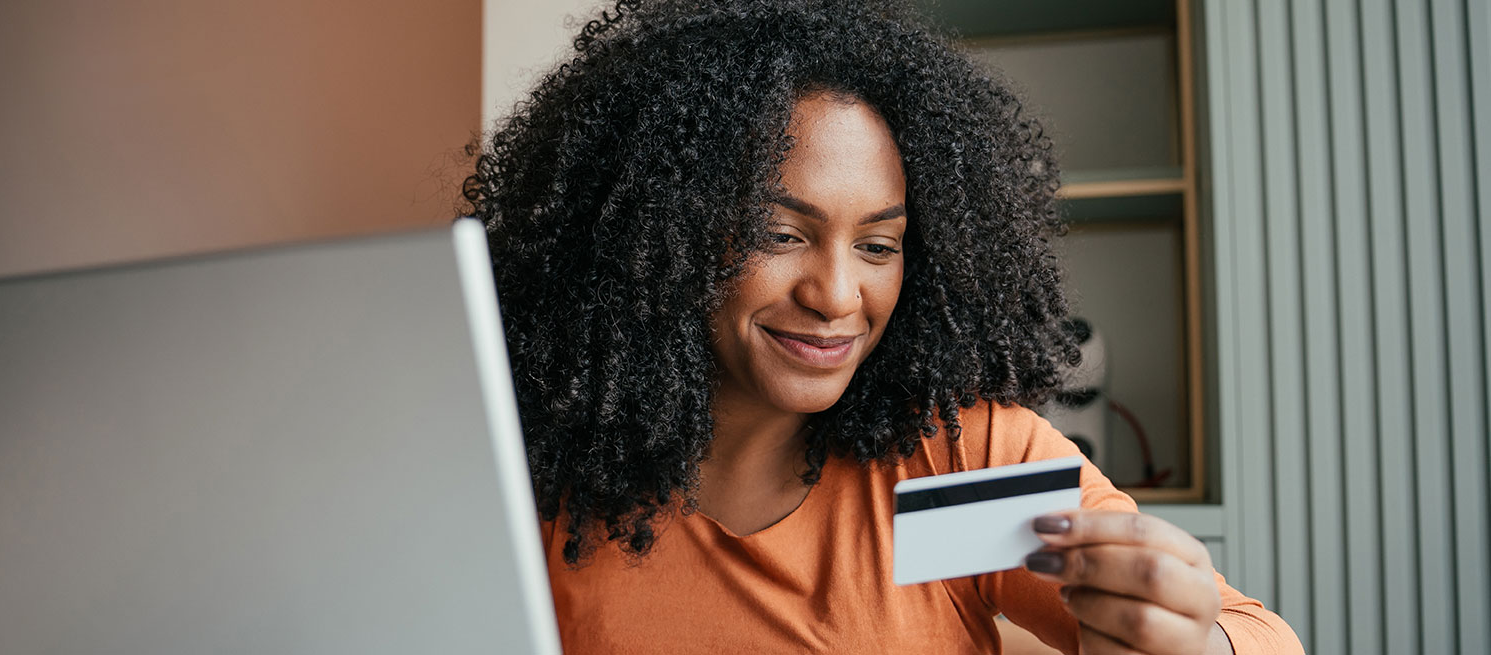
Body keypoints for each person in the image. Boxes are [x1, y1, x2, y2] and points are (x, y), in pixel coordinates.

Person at [464, 1, 1303, 653]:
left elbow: (1261, 632)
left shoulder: (948, 468)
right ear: (662, 230)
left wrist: (1191, 636)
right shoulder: (545, 478)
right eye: (779, 233)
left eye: (877, 245)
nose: (836, 294)